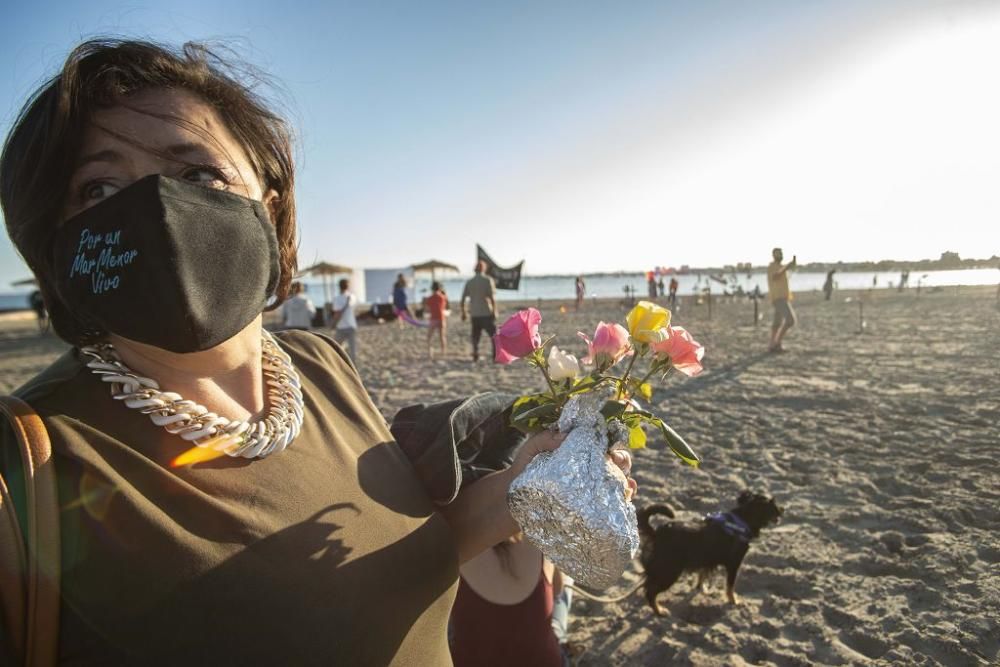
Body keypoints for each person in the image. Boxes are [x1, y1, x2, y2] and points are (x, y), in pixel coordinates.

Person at [0, 39, 639, 665]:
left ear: (269, 206)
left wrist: (524, 486)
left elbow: (406, 555)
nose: (158, 211)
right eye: (99, 190)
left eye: (197, 174)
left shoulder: (317, 363)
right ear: (57, 241)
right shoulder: (25, 471)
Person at [450, 532, 571, 667]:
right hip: (546, 661)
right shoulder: (540, 540)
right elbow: (558, 589)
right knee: (564, 591)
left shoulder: (453, 546)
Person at [460, 261, 497, 362]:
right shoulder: (488, 280)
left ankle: (475, 353)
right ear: (483, 269)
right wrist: (494, 311)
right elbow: (492, 298)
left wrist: (464, 312)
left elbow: (463, 299)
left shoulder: (469, 282)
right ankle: (495, 355)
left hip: (474, 313)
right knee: (494, 335)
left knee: (475, 335)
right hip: (486, 313)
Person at [767, 247, 797, 353]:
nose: (780, 255)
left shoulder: (780, 266)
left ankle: (772, 345)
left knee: (777, 323)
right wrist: (787, 266)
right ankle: (777, 342)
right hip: (778, 298)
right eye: (778, 254)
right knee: (790, 320)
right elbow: (776, 276)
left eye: (781, 253)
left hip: (783, 297)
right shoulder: (772, 267)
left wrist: (790, 266)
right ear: (774, 255)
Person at [331, 278, 358, 361]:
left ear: (339, 287)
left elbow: (336, 313)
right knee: (353, 350)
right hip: (351, 325)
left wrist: (333, 324)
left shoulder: (336, 298)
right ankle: (353, 369)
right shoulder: (352, 297)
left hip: (341, 326)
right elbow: (355, 309)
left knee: (335, 348)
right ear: (348, 286)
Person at [425, 281, 448, 358]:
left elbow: (428, 309)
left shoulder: (429, 298)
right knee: (442, 336)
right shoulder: (443, 297)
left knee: (429, 337)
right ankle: (443, 352)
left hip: (433, 319)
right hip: (441, 318)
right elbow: (444, 306)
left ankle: (430, 352)